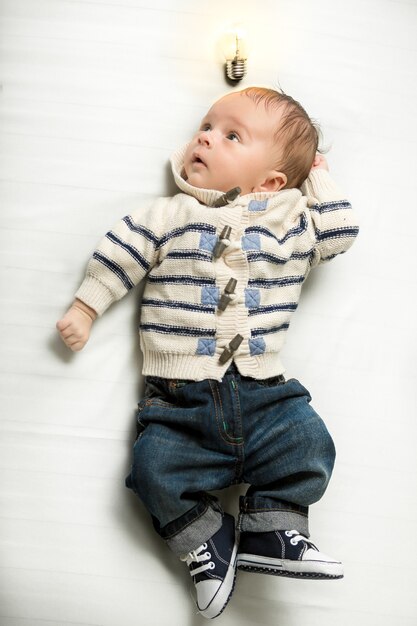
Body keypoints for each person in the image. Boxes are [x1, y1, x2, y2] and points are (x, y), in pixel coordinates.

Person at [57, 87, 359, 619]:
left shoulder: (291, 225)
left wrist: (317, 174)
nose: (205, 136)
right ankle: (208, 537)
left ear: (272, 181)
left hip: (268, 396)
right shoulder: (168, 214)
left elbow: (341, 230)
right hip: (179, 402)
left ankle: (273, 529)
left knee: (309, 443)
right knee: (153, 470)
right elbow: (117, 256)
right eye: (206, 125)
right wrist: (86, 307)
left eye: (231, 135)